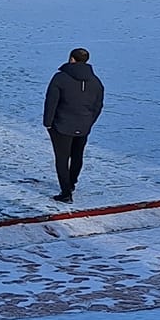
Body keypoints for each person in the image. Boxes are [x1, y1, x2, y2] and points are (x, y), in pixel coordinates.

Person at [43, 47, 104, 204]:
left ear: (71, 59)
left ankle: (66, 192)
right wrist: (89, 122)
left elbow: (51, 101)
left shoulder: (60, 78)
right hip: (83, 126)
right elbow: (98, 106)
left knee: (62, 159)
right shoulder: (96, 82)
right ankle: (72, 183)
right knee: (77, 156)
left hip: (61, 126)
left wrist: (48, 123)